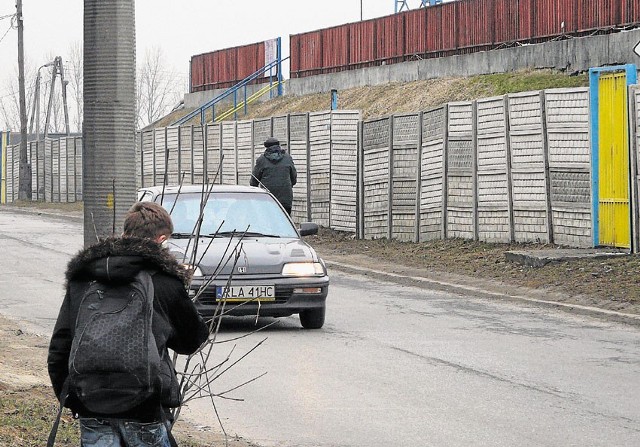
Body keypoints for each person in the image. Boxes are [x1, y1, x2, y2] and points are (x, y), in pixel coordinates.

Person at [47, 202, 209, 447]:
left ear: (124, 234)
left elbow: (60, 346)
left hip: (91, 402)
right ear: (161, 238)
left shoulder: (82, 279)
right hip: (144, 406)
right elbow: (191, 341)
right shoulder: (164, 281)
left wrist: (72, 396)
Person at [250, 137, 297, 215]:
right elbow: (294, 178)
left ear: (266, 147)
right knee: (284, 221)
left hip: (267, 198)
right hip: (285, 198)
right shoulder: (288, 158)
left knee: (268, 221)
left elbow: (253, 181)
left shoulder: (261, 160)